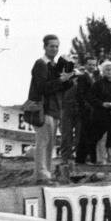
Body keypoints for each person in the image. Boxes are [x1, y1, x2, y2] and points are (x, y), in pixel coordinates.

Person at [27, 34, 75, 184]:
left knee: (49, 143)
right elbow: (42, 87)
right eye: (51, 46)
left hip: (54, 108)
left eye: (56, 46)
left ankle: (43, 172)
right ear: (45, 47)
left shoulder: (54, 66)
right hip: (44, 108)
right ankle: (42, 173)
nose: (54, 49)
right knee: (43, 142)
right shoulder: (41, 64)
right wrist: (60, 80)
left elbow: (58, 88)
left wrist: (68, 80)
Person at [93, 60, 111, 165]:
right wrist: (102, 104)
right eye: (107, 70)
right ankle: (101, 160)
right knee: (102, 138)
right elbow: (92, 99)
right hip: (102, 115)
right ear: (103, 71)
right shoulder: (98, 84)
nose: (109, 72)